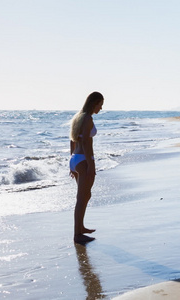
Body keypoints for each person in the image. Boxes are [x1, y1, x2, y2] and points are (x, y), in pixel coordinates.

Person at [69, 91, 104, 244]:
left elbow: (72, 140)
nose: (101, 108)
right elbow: (86, 144)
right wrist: (91, 165)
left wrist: (72, 162)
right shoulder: (88, 119)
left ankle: (81, 228)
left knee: (85, 196)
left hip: (75, 159)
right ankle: (77, 235)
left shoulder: (78, 117)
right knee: (82, 199)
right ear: (93, 103)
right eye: (100, 105)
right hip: (83, 160)